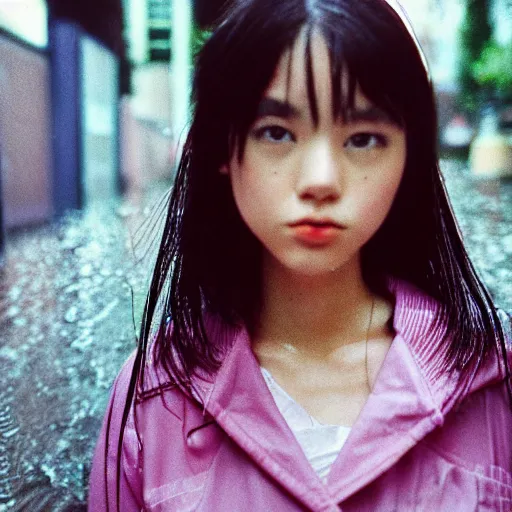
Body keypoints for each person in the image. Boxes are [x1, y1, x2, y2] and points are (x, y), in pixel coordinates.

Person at [88, 0, 512, 510]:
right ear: (222, 149)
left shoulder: (490, 384)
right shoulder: (151, 398)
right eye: (276, 133)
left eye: (363, 139)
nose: (320, 181)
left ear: (409, 158)